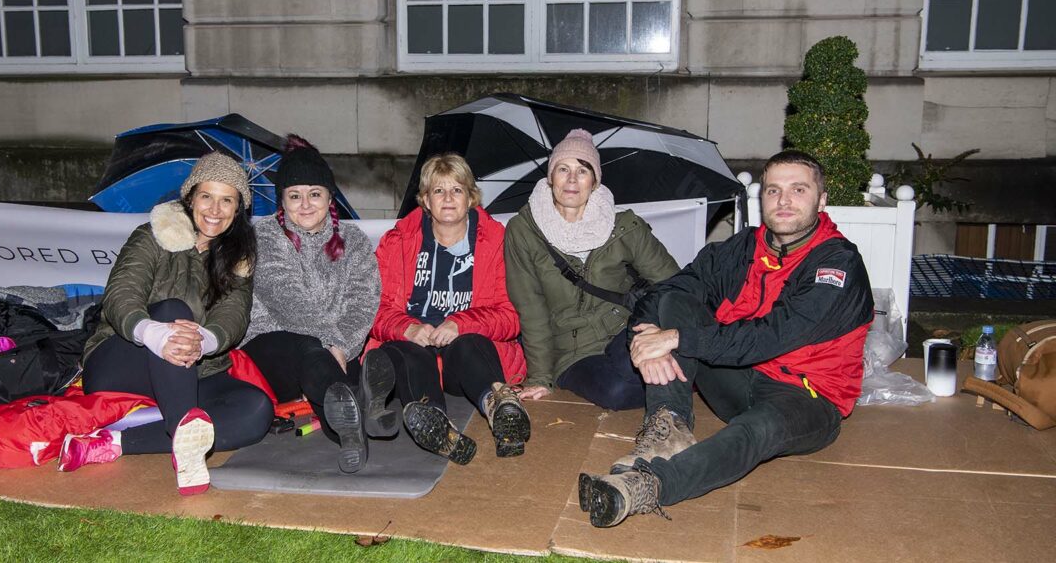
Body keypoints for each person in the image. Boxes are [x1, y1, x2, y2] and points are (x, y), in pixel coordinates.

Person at [578, 150, 874, 527]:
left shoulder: (837, 263)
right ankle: (669, 425)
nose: (783, 201)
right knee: (675, 301)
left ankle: (645, 486)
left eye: (798, 189)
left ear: (821, 199)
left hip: (806, 397)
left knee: (756, 430)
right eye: (773, 191)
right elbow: (671, 289)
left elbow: (770, 336)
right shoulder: (742, 249)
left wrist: (676, 338)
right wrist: (645, 337)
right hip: (740, 380)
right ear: (761, 198)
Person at [60, 152, 273, 496]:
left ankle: (113, 443)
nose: (215, 210)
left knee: (256, 410)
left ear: (239, 209)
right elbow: (121, 293)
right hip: (125, 359)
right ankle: (184, 441)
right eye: (207, 196)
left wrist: (205, 340)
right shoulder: (152, 236)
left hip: (195, 367)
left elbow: (234, 314)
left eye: (227, 200)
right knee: (172, 310)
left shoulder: (239, 258)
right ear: (190, 198)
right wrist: (154, 332)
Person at [366, 153, 529, 464]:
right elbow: (375, 308)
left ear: (470, 196)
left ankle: (500, 406)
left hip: (466, 355)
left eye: (457, 189)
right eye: (438, 191)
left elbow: (511, 315)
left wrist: (460, 324)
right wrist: (407, 327)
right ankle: (438, 426)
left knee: (468, 343)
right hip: (416, 349)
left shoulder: (497, 241)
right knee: (407, 349)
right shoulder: (398, 241)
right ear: (426, 200)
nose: (448, 198)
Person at [505, 129, 681, 410]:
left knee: (641, 363)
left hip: (626, 330)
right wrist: (540, 376)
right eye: (563, 169)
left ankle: (670, 368)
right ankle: (678, 378)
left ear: (595, 182)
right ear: (550, 178)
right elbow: (530, 308)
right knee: (616, 392)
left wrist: (659, 339)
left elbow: (674, 284)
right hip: (572, 350)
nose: (572, 180)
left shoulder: (623, 225)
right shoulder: (523, 231)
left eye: (583, 170)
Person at [239, 135, 383, 474]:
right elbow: (288, 300)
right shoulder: (265, 237)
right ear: (282, 201)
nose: (305, 204)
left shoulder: (355, 241)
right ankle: (360, 412)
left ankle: (351, 428)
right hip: (271, 346)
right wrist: (332, 343)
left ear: (330, 198)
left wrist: (343, 346)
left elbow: (363, 302)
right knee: (308, 348)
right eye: (294, 196)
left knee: (374, 356)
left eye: (314, 194)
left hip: (332, 352)